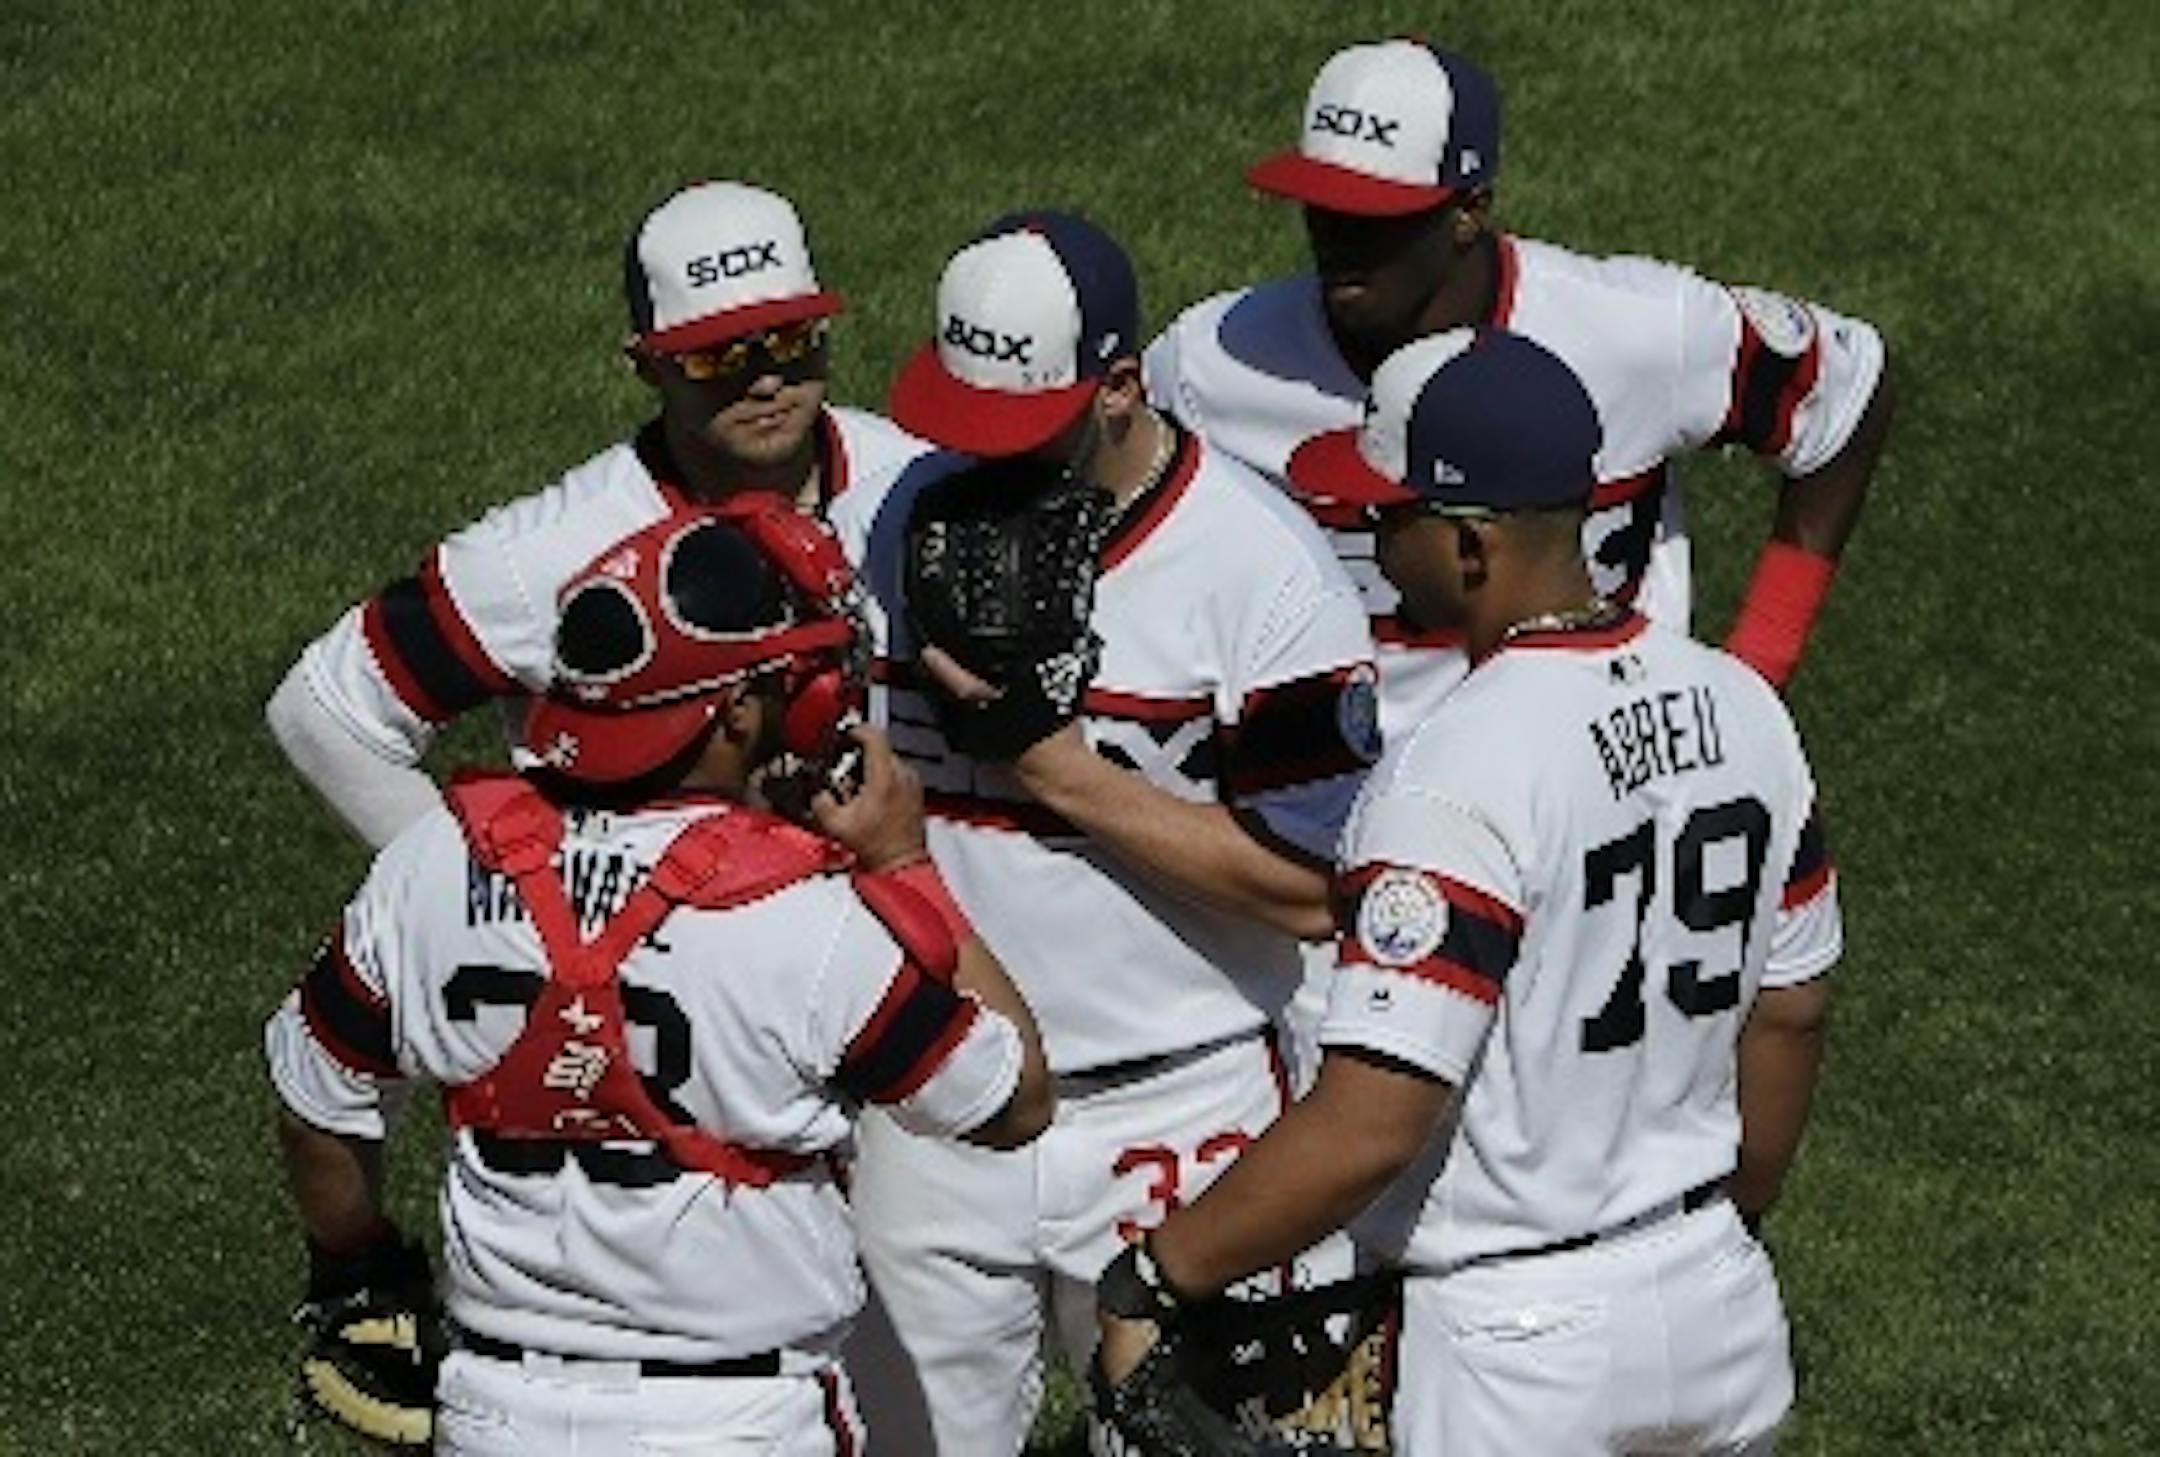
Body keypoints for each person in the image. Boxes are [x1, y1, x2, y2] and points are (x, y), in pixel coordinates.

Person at [1096, 329, 1842, 1454]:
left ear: (1470, 544)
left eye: (1388, 517)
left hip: (1517, 1351)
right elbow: (1792, 1011)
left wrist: (1161, 1273)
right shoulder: (1744, 710)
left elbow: (1373, 1122)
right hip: (1721, 1307)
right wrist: (1716, 1230)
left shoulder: (1454, 769)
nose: (1366, 539)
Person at [266, 496, 1051, 1455]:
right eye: (786, 678)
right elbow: (1011, 1101)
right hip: (732, 1425)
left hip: (493, 1416)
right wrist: (903, 863)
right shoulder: (809, 922)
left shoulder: (430, 863)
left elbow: (317, 1100)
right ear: (733, 713)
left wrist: (357, 1267)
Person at [821, 210, 1379, 1455]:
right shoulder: (890, 519)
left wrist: (1061, 773)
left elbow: (1313, 889)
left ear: (1121, 385)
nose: (976, 459)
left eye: (1017, 426)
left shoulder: (1262, 571)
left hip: (1185, 1108)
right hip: (937, 1098)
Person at [1146, 38, 1895, 732]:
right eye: (1324, 206)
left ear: (1468, 212)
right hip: (1341, 792)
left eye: (1375, 217)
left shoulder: (1636, 330)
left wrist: (1757, 670)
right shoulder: (1213, 363)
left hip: (1599, 773)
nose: (1338, 240)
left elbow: (1848, 387)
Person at [267, 179, 941, 848]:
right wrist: (479, 885)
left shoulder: (916, 478)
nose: (765, 380)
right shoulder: (549, 550)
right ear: (646, 366)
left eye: (790, 339)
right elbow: (323, 714)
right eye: (717, 356)